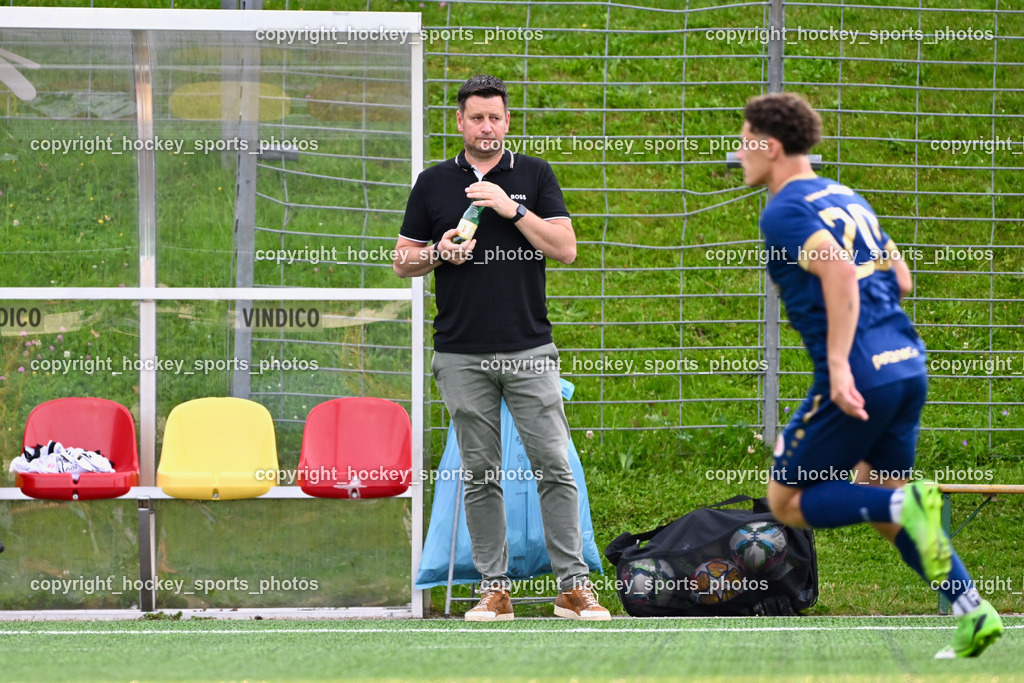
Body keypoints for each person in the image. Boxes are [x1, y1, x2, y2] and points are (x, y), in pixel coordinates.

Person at [737, 92, 1003, 658]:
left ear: (772, 145)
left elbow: (836, 271)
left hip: (859, 371)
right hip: (906, 364)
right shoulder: (845, 195)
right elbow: (900, 277)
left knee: (785, 499)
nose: (739, 154)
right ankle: (972, 610)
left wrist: (837, 365)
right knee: (883, 494)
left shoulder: (783, 209)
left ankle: (904, 508)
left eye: (744, 142)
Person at [393, 75, 609, 622]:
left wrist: (510, 208)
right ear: (459, 122)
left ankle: (573, 588)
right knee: (480, 473)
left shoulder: (533, 175)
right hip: (460, 353)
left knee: (553, 466)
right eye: (477, 117)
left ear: (507, 122)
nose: (486, 127)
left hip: (529, 349)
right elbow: (402, 261)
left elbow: (566, 249)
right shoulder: (433, 182)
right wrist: (439, 253)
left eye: (495, 117)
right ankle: (494, 589)